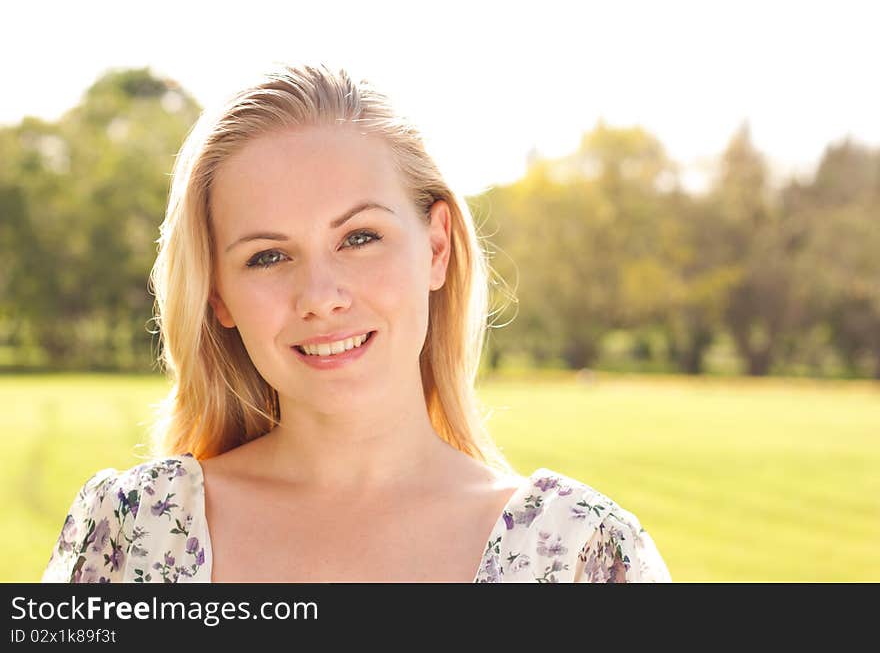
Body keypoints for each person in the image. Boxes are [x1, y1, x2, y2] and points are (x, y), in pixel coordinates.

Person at [41, 63, 671, 583]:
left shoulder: (583, 554)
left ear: (436, 248)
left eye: (360, 237)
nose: (320, 296)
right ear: (218, 297)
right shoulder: (133, 534)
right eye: (267, 256)